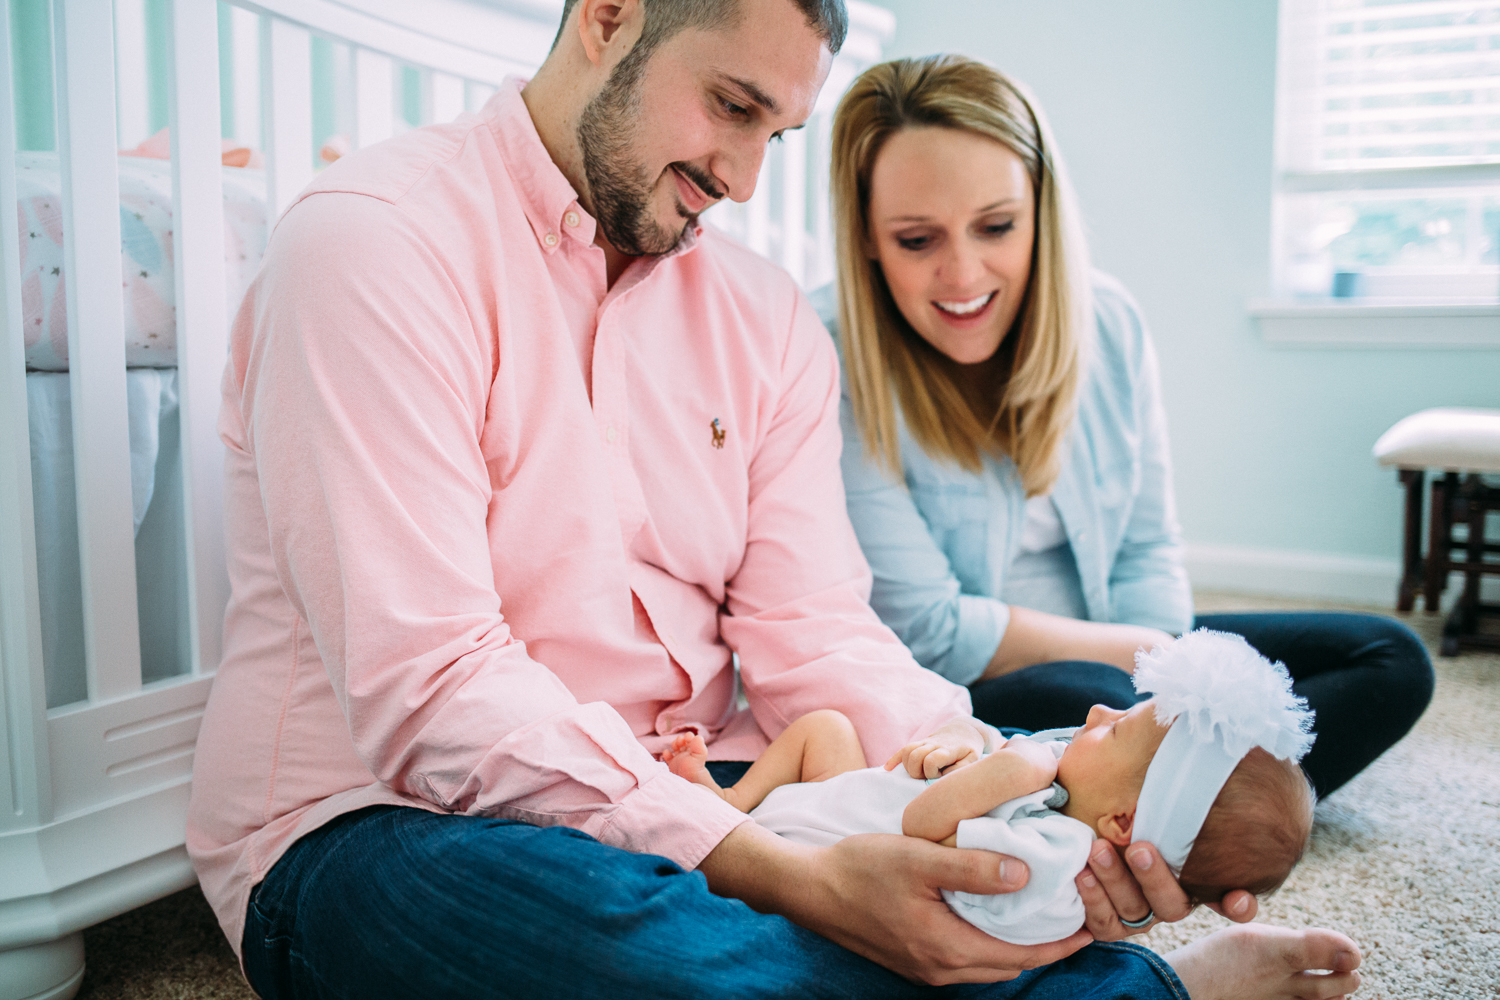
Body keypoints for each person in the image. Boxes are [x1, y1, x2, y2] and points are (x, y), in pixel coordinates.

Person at [186, 4, 1362, 997]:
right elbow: (431, 693)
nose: (744, 181)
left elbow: (815, 631)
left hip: (734, 787)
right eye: (733, 107)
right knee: (657, 946)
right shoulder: (374, 250)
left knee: (976, 869)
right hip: (391, 822)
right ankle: (1125, 990)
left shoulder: (759, 319)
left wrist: (952, 761)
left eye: (777, 132)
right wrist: (780, 870)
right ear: (608, 15)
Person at [825, 54, 1435, 805]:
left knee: (1391, 656)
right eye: (918, 240)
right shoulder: (828, 352)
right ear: (867, 238)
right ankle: (1194, 812)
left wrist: (1157, 693)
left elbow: (1148, 549)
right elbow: (932, 628)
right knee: (1088, 687)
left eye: (997, 226)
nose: (963, 273)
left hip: (1121, 651)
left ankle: (1147, 809)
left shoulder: (1108, 322)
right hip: (960, 689)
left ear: (1041, 214)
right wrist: (1163, 671)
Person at [664, 630, 1317, 946]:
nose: (1095, 714)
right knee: (826, 726)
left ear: (1122, 823)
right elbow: (958, 751)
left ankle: (729, 819)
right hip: (847, 793)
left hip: (813, 851)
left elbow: (925, 831)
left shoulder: (1058, 865)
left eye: (1114, 734)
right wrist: (966, 745)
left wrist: (1012, 766)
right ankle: (729, 801)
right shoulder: (1064, 789)